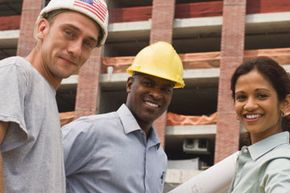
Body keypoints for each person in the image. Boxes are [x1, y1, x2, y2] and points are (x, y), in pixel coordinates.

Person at [0, 0, 108, 192]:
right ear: (42, 28)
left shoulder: (46, 95)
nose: (76, 49)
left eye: (88, 43)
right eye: (69, 33)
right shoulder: (16, 72)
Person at [62, 41, 185, 193]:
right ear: (129, 84)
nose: (156, 94)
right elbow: (35, 174)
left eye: (165, 89)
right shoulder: (90, 132)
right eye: (148, 83)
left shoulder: (159, 157)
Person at [228, 56, 290, 193]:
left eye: (262, 95)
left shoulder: (280, 163)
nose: (249, 106)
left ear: (285, 104)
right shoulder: (250, 159)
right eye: (241, 97)